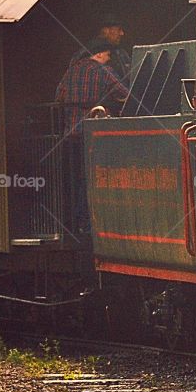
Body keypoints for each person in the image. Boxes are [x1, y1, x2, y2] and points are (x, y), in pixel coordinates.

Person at [54, 38, 127, 235]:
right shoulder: (104, 72)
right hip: (94, 136)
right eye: (108, 56)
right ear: (100, 54)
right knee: (92, 180)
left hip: (71, 134)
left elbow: (58, 97)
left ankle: (74, 223)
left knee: (75, 179)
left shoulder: (71, 72)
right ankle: (89, 223)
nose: (109, 60)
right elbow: (124, 94)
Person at [69, 15, 131, 84]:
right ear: (105, 30)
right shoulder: (82, 54)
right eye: (119, 29)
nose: (122, 33)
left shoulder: (121, 54)